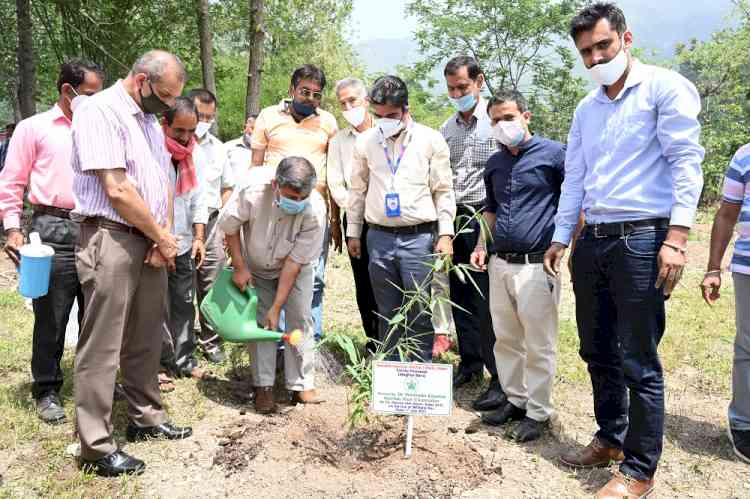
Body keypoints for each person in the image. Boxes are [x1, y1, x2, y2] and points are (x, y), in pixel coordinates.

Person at [543, 4, 705, 497]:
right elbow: (575, 179)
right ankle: (610, 438)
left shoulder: (663, 88)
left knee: (638, 357)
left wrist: (677, 239)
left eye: (603, 46)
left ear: (626, 38)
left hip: (643, 239)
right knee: (595, 348)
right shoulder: (586, 109)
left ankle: (639, 469)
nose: (595, 58)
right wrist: (559, 235)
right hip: (593, 241)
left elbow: (685, 164)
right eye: (586, 52)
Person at [71, 50, 193, 477]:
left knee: (145, 336)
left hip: (149, 242)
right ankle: (96, 445)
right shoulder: (100, 111)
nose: (167, 105)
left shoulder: (145, 120)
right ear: (141, 79)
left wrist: (164, 239)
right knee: (102, 344)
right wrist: (159, 235)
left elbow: (163, 182)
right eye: (162, 95)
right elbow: (117, 190)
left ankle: (146, 417)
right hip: (112, 237)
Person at [0, 59, 104, 424]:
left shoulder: (102, 129)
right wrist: (13, 228)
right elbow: (11, 182)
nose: (96, 100)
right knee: (53, 315)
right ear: (67, 91)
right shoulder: (33, 129)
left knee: (97, 313)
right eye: (89, 94)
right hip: (53, 227)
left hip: (97, 229)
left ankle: (96, 385)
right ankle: (46, 388)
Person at [470, 89, 565, 443]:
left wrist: (565, 245)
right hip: (500, 264)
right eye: (495, 120)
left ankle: (539, 413)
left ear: (526, 116)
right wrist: (482, 245)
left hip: (538, 265)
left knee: (538, 342)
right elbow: (490, 210)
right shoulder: (495, 162)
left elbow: (573, 202)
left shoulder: (553, 155)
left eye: (508, 117)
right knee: (506, 338)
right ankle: (515, 399)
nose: (502, 125)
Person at [347, 75, 455, 362]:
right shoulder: (366, 142)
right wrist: (354, 232)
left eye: (392, 116)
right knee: (386, 309)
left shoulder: (431, 140)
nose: (385, 121)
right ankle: (392, 375)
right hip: (379, 237)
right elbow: (357, 190)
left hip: (419, 237)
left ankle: (420, 371)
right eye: (378, 116)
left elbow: (443, 190)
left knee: (419, 309)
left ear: (406, 109)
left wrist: (445, 234)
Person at [219, 157, 326, 413]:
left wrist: (278, 305)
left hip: (294, 268)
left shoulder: (315, 210)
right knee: (262, 323)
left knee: (300, 317)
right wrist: (240, 266)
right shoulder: (252, 189)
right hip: (255, 265)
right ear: (276, 184)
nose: (297, 203)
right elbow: (230, 226)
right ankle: (263, 387)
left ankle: (301, 384)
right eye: (291, 197)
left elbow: (293, 264)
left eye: (303, 198)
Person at [251, 64, 338, 341]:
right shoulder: (267, 117)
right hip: (273, 210)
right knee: (274, 272)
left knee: (314, 277)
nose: (310, 99)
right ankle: (276, 337)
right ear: (291, 90)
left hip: (313, 212)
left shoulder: (328, 122)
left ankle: (309, 337)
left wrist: (335, 221)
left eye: (316, 94)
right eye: (305, 91)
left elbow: (334, 173)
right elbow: (254, 168)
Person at [440, 55, 502, 407]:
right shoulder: (446, 129)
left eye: (462, 87)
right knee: (458, 294)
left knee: (486, 299)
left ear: (479, 82)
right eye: (451, 88)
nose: (456, 93)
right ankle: (470, 362)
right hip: (454, 215)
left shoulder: (495, 123)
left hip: (485, 216)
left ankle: (498, 375)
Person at [701, 145, 750, 464]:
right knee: (749, 347)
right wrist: (713, 267)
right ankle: (744, 423)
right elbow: (727, 213)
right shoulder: (745, 156)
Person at [327, 77, 379, 351]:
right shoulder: (338, 141)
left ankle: (396, 340)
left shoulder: (384, 130)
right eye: (343, 103)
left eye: (353, 101)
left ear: (366, 101)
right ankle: (373, 340)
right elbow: (335, 181)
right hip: (356, 220)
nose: (348, 107)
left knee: (389, 279)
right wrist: (354, 206)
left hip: (387, 219)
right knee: (363, 281)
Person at [160, 97, 208, 381]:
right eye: (180, 131)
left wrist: (199, 237)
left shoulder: (194, 154)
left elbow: (197, 199)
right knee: (153, 306)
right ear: (165, 124)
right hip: (153, 242)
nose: (186, 137)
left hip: (184, 241)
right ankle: (158, 362)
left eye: (192, 131)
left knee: (182, 302)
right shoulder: (152, 150)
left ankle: (184, 359)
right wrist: (159, 240)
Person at [190, 88, 235, 365]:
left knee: (211, 283)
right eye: (199, 115)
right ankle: (179, 343)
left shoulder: (219, 148)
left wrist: (225, 221)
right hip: (181, 225)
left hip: (213, 222)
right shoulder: (171, 143)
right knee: (181, 288)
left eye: (209, 116)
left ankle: (211, 340)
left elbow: (227, 187)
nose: (204, 121)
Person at [225, 114, 258, 182]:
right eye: (252, 128)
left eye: (257, 130)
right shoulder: (227, 147)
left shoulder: (267, 152)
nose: (253, 132)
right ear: (245, 127)